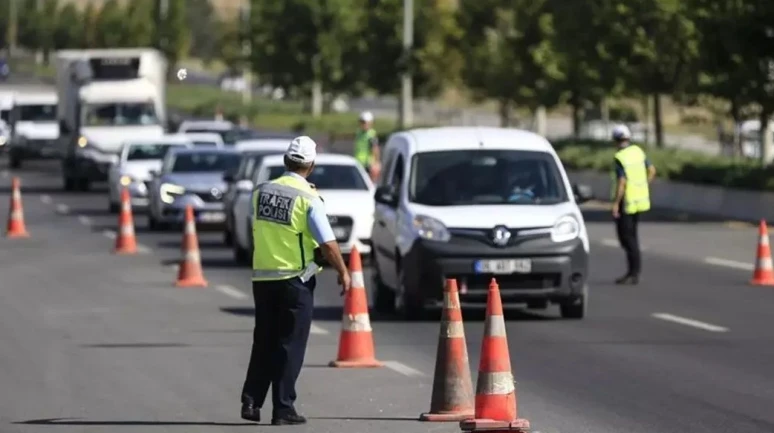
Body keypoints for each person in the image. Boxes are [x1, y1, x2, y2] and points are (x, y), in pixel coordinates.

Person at [240, 136, 351, 425]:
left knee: (264, 340)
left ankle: (251, 401)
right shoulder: (308, 198)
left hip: (262, 278)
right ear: (311, 166)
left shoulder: (261, 192)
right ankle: (283, 408)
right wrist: (343, 271)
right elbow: (327, 243)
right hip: (294, 280)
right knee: (290, 345)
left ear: (285, 161)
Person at [610, 124, 656, 285]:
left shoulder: (620, 157)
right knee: (632, 237)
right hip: (639, 200)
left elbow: (622, 182)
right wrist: (642, 185)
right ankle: (633, 272)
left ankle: (633, 273)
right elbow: (652, 170)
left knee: (627, 239)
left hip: (627, 202)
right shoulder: (638, 151)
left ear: (615, 140)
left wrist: (616, 204)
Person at [353, 111, 380, 180]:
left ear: (370, 123)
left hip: (368, 164)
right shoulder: (358, 133)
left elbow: (375, 149)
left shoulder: (371, 135)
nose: (364, 124)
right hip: (358, 162)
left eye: (365, 122)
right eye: (362, 122)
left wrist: (376, 163)